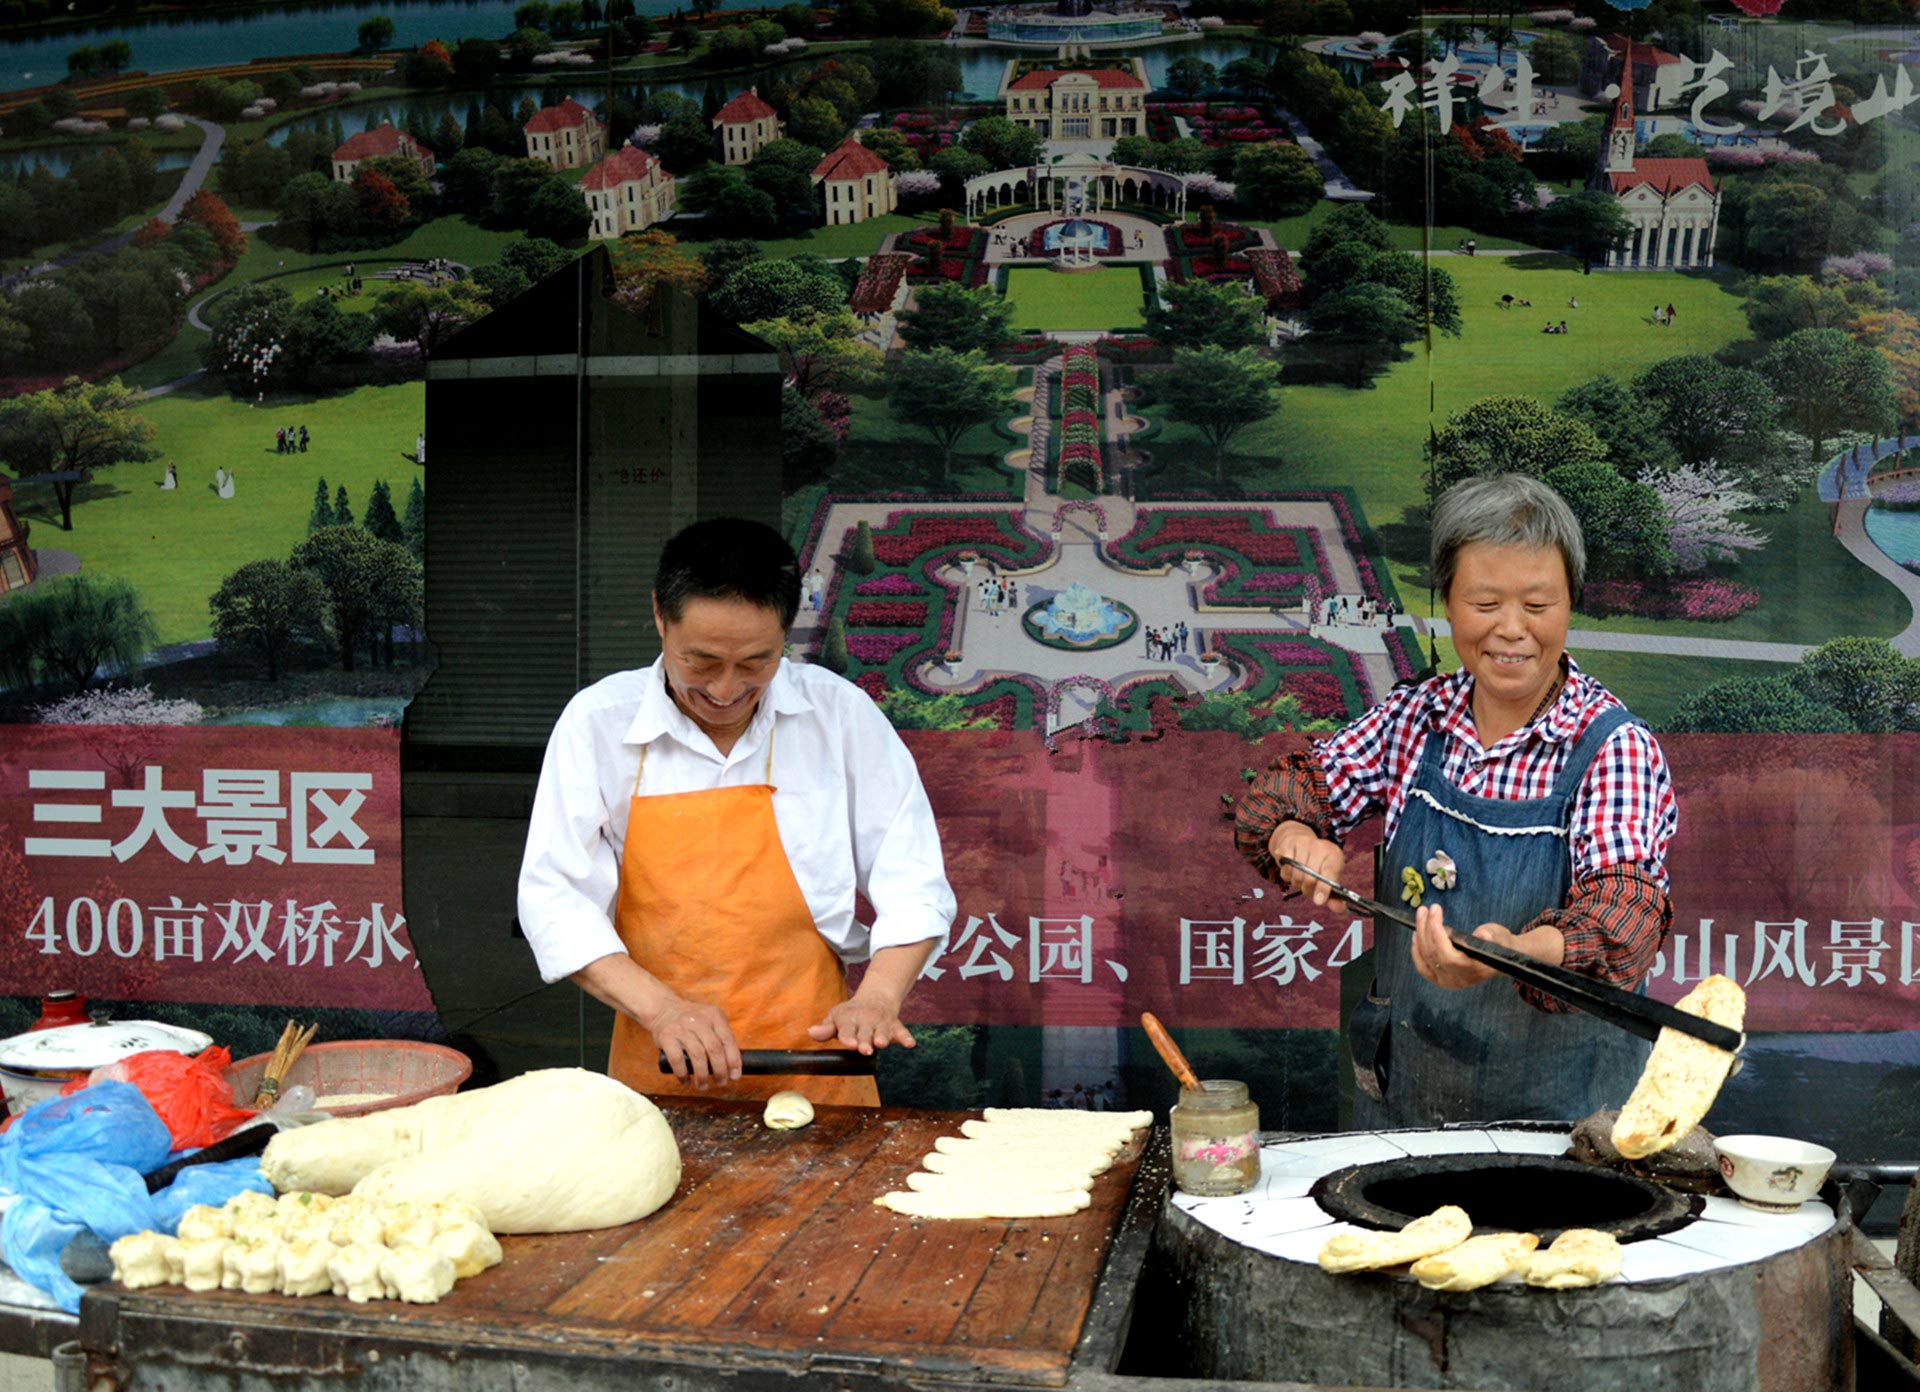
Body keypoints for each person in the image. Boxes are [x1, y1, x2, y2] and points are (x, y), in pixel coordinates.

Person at [1232, 475, 1677, 1128]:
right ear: (1446, 602)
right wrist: (1295, 839)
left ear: (1570, 604)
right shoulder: (1416, 719)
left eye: (1537, 604)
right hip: (1405, 1101)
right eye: (1485, 602)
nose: (1512, 631)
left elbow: (1626, 914)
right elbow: (1294, 790)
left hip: (1566, 1124)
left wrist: (1517, 953)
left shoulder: (1612, 748)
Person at [517, 518, 955, 1107]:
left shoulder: (839, 717)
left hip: (817, 1066)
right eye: (700, 661)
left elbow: (914, 881)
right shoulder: (598, 724)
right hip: (662, 1067)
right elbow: (555, 898)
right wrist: (664, 1009)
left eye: (756, 662)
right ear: (659, 616)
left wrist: (877, 996)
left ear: (786, 632)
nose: (725, 690)